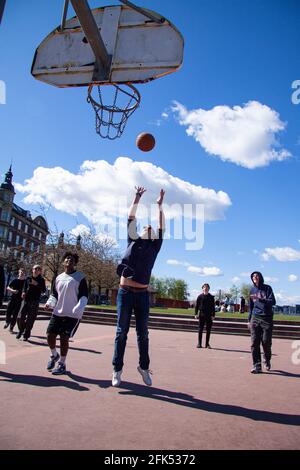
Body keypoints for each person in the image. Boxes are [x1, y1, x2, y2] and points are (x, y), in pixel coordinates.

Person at [112, 186, 165, 387]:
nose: (148, 227)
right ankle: (117, 369)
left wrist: (160, 206)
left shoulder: (155, 246)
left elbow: (161, 226)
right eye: (146, 227)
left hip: (142, 295)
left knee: (143, 334)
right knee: (121, 332)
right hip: (125, 293)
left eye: (151, 229)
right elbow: (131, 216)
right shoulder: (132, 240)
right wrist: (137, 197)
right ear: (140, 231)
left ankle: (143, 367)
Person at [45, 252, 88, 375]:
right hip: (58, 312)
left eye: (72, 259)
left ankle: (62, 364)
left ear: (75, 263)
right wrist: (49, 303)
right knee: (50, 335)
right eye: (67, 258)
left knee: (64, 338)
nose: (69, 260)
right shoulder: (58, 278)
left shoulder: (80, 277)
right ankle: (54, 355)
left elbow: (84, 295)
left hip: (73, 315)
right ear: (63, 261)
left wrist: (79, 306)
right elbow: (54, 294)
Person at [248, 271, 276, 374]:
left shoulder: (267, 288)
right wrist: (249, 320)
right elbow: (251, 307)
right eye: (253, 276)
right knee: (254, 342)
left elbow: (273, 301)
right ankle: (257, 365)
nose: (255, 277)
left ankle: (267, 359)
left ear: (260, 277)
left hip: (267, 318)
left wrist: (261, 299)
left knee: (266, 342)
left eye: (257, 275)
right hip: (255, 318)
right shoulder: (251, 290)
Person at [16, 265, 46, 341]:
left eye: (38, 269)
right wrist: (23, 292)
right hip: (26, 300)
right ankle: (21, 330)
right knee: (20, 316)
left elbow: (44, 290)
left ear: (40, 271)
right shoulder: (28, 278)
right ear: (32, 270)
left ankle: (26, 334)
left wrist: (37, 284)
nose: (36, 270)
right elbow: (24, 287)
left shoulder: (41, 280)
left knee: (30, 319)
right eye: (35, 269)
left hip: (35, 301)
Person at [4, 268, 26, 333]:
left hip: (20, 300)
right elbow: (8, 287)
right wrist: (12, 290)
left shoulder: (25, 282)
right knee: (8, 311)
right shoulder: (15, 280)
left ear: (25, 274)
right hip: (12, 298)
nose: (22, 274)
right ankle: (7, 321)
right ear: (19, 273)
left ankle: (11, 328)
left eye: (23, 273)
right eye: (21, 272)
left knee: (15, 314)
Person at [194, 283, 215, 349]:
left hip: (209, 315)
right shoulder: (200, 296)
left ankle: (207, 344)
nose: (205, 288)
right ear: (202, 288)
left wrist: (213, 315)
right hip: (201, 315)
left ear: (208, 289)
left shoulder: (211, 297)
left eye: (207, 287)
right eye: (204, 287)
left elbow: (213, 307)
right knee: (200, 329)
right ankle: (199, 343)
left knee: (208, 330)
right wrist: (196, 313)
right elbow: (197, 306)